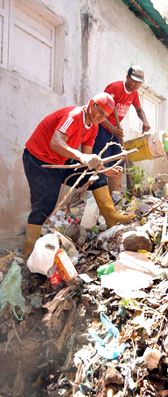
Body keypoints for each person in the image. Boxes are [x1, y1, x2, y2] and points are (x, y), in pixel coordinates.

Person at [22, 92, 136, 260]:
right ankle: (29, 253)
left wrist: (104, 170)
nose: (100, 117)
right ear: (91, 104)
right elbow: (56, 142)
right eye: (100, 111)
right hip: (39, 159)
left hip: (62, 161)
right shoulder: (74, 115)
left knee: (96, 177)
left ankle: (111, 217)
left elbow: (87, 160)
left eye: (105, 115)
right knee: (45, 204)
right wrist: (83, 157)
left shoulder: (94, 127)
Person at [92, 65, 151, 195]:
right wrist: (111, 128)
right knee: (101, 161)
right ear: (127, 77)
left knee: (118, 160)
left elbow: (139, 109)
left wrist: (145, 122)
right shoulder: (115, 88)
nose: (136, 85)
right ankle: (96, 195)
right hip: (103, 128)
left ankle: (115, 195)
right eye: (134, 80)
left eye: (139, 82)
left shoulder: (134, 94)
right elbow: (99, 110)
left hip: (116, 131)